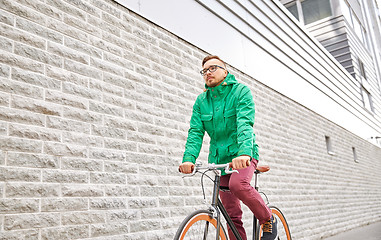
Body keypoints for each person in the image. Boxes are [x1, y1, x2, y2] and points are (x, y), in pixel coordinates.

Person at [179, 55, 277, 240]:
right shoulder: (201, 101)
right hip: (220, 160)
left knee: (237, 185)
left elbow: (245, 124)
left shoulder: (240, 92)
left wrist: (244, 153)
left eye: (213, 68)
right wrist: (188, 159)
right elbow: (195, 132)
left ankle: (268, 219)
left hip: (243, 155)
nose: (208, 73)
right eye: (204, 71)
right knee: (230, 213)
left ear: (225, 71)